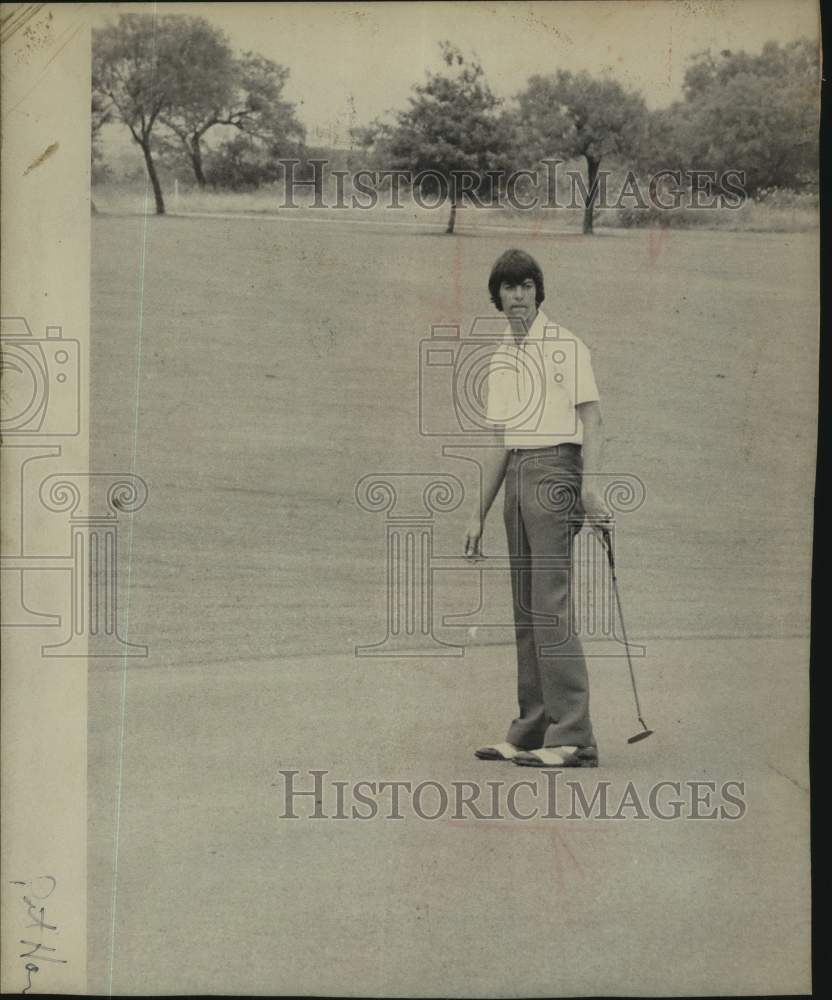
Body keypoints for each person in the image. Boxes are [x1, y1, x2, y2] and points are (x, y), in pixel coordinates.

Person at [463, 248, 611, 768]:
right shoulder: (502, 354)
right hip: (519, 473)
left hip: (556, 471)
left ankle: (575, 737)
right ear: (497, 296)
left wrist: (590, 489)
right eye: (508, 288)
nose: (517, 296)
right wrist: (476, 514)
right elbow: (500, 439)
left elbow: (592, 421)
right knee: (526, 607)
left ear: (538, 292)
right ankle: (531, 729)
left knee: (549, 603)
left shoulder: (565, 345)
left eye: (526, 286)